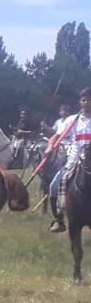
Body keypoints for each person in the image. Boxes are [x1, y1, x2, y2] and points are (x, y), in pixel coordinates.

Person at [48, 88, 91, 231]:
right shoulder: (72, 120)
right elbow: (55, 136)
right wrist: (49, 147)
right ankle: (58, 220)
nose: (87, 102)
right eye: (84, 99)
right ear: (80, 102)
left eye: (89, 99)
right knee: (54, 186)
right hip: (74, 160)